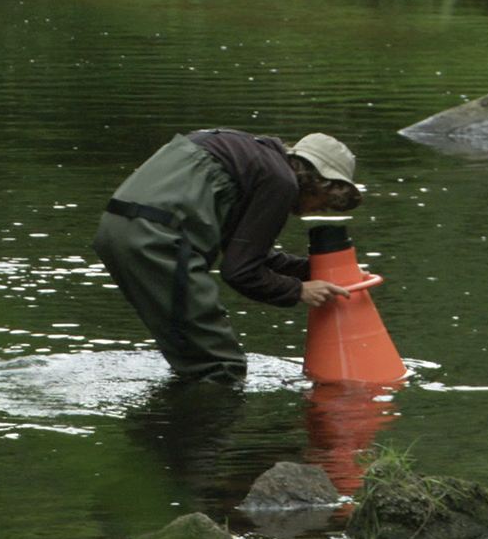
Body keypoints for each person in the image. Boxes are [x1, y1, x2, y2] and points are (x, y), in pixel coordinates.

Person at [93, 129, 362, 383]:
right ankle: (193, 429)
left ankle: (169, 424)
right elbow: (240, 272)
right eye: (325, 203)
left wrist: (323, 269)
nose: (319, 211)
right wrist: (299, 290)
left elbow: (250, 254)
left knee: (192, 355)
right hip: (157, 241)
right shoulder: (281, 181)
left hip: (117, 229)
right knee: (221, 367)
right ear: (319, 182)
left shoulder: (243, 154)